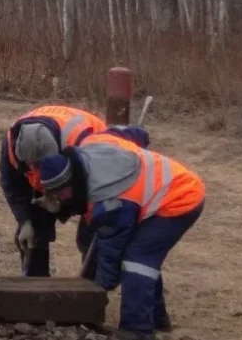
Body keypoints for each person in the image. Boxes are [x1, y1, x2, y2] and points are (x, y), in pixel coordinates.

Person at [36, 141, 205, 339]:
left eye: (59, 192)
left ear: (71, 181)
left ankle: (137, 330)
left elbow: (111, 252)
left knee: (137, 261)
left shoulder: (109, 201)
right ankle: (158, 320)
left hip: (180, 197)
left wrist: (95, 291)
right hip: (159, 191)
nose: (58, 198)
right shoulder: (83, 162)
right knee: (143, 259)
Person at [0, 105, 150, 277]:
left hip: (95, 177)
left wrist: (62, 206)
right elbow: (13, 185)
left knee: (90, 236)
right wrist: (26, 220)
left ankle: (91, 289)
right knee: (33, 233)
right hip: (66, 166)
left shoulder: (85, 143)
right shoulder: (12, 144)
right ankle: (36, 288)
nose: (37, 171)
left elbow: (88, 193)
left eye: (43, 165)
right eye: (32, 166)